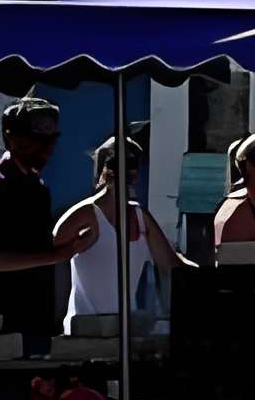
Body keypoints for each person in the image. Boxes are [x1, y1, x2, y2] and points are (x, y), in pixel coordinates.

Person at [0, 98, 67, 352]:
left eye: (51, 141)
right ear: (12, 139)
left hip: (37, 323)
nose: (47, 150)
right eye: (38, 142)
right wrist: (55, 255)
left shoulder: (37, 188)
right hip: (1, 328)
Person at [56, 131, 188, 327]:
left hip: (123, 330)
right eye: (117, 165)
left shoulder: (140, 218)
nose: (126, 174)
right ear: (103, 171)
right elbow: (50, 252)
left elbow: (170, 263)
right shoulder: (85, 214)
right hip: (84, 330)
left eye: (131, 166)